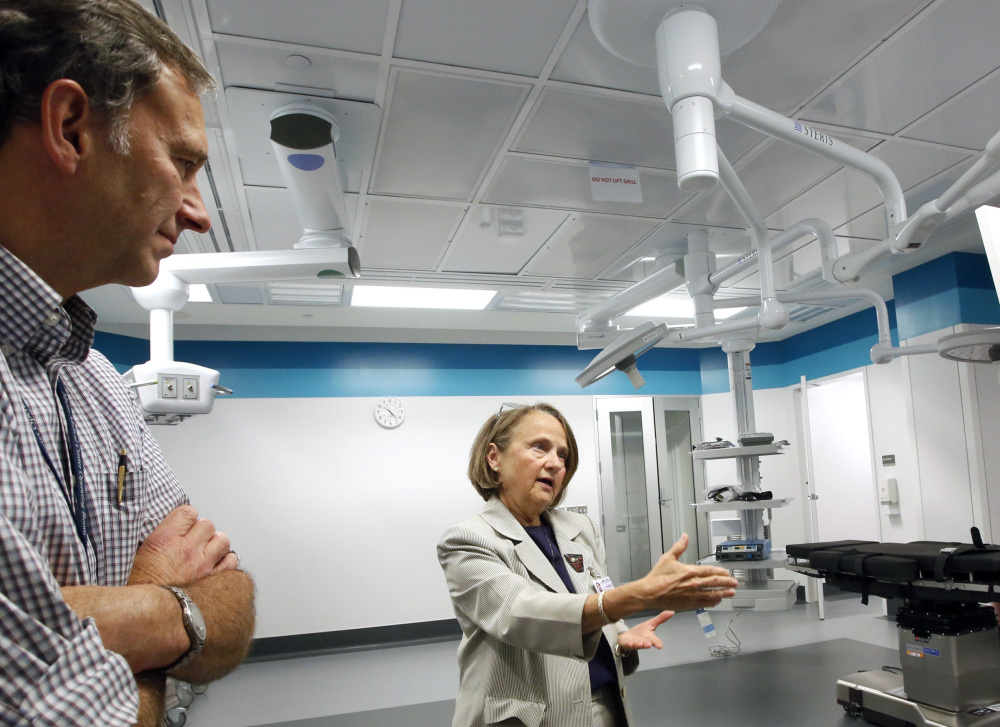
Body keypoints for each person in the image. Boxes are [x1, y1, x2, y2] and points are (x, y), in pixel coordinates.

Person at [0, 1, 255, 724]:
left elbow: (231, 603)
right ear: (71, 127)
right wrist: (165, 608)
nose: (199, 212)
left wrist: (107, 621)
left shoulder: (97, 384)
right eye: (181, 161)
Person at [438, 403, 739, 727]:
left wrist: (619, 636)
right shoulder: (468, 539)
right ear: (494, 457)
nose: (555, 463)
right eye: (539, 447)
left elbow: (598, 591)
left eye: (563, 456)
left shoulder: (580, 528)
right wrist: (641, 595)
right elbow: (520, 614)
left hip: (604, 707)